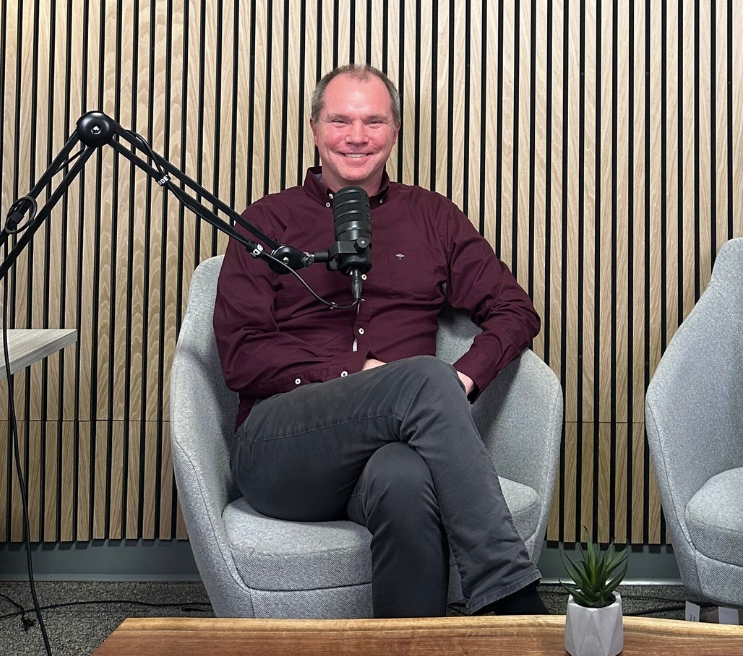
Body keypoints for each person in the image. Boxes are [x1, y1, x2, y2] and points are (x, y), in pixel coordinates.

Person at [213, 64, 548, 618]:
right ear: (315, 128)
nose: (356, 136)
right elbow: (242, 355)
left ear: (394, 132)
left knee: (406, 478)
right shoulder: (266, 221)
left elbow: (514, 310)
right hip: (281, 447)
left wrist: (461, 377)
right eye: (340, 120)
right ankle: (510, 595)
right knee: (421, 377)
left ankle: (410, 644)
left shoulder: (432, 217)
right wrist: (353, 371)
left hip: (394, 451)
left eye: (374, 121)